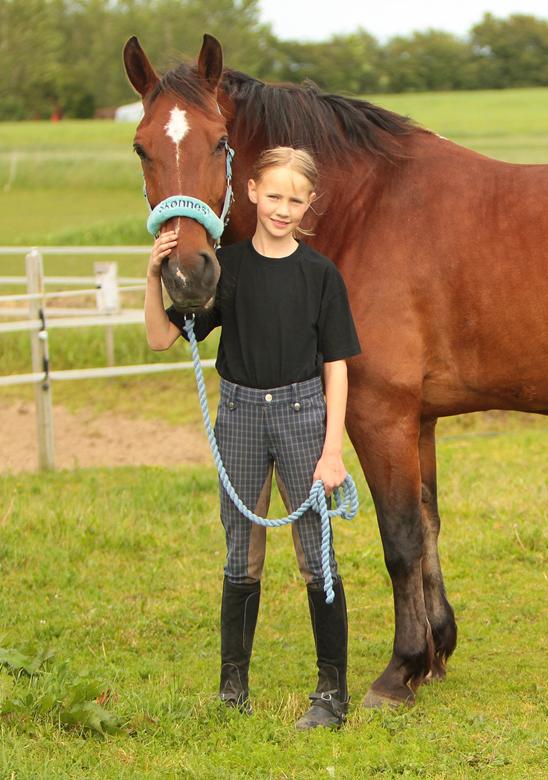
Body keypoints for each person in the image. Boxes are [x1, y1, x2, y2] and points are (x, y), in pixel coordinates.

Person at [143, 147, 361, 730]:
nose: (283, 208)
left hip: (302, 415)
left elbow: (337, 365)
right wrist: (151, 274)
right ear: (252, 193)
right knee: (242, 556)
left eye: (297, 199)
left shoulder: (321, 275)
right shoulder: (226, 268)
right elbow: (163, 338)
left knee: (318, 556)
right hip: (238, 416)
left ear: (308, 205)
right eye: (275, 195)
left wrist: (332, 450)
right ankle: (232, 687)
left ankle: (332, 691)